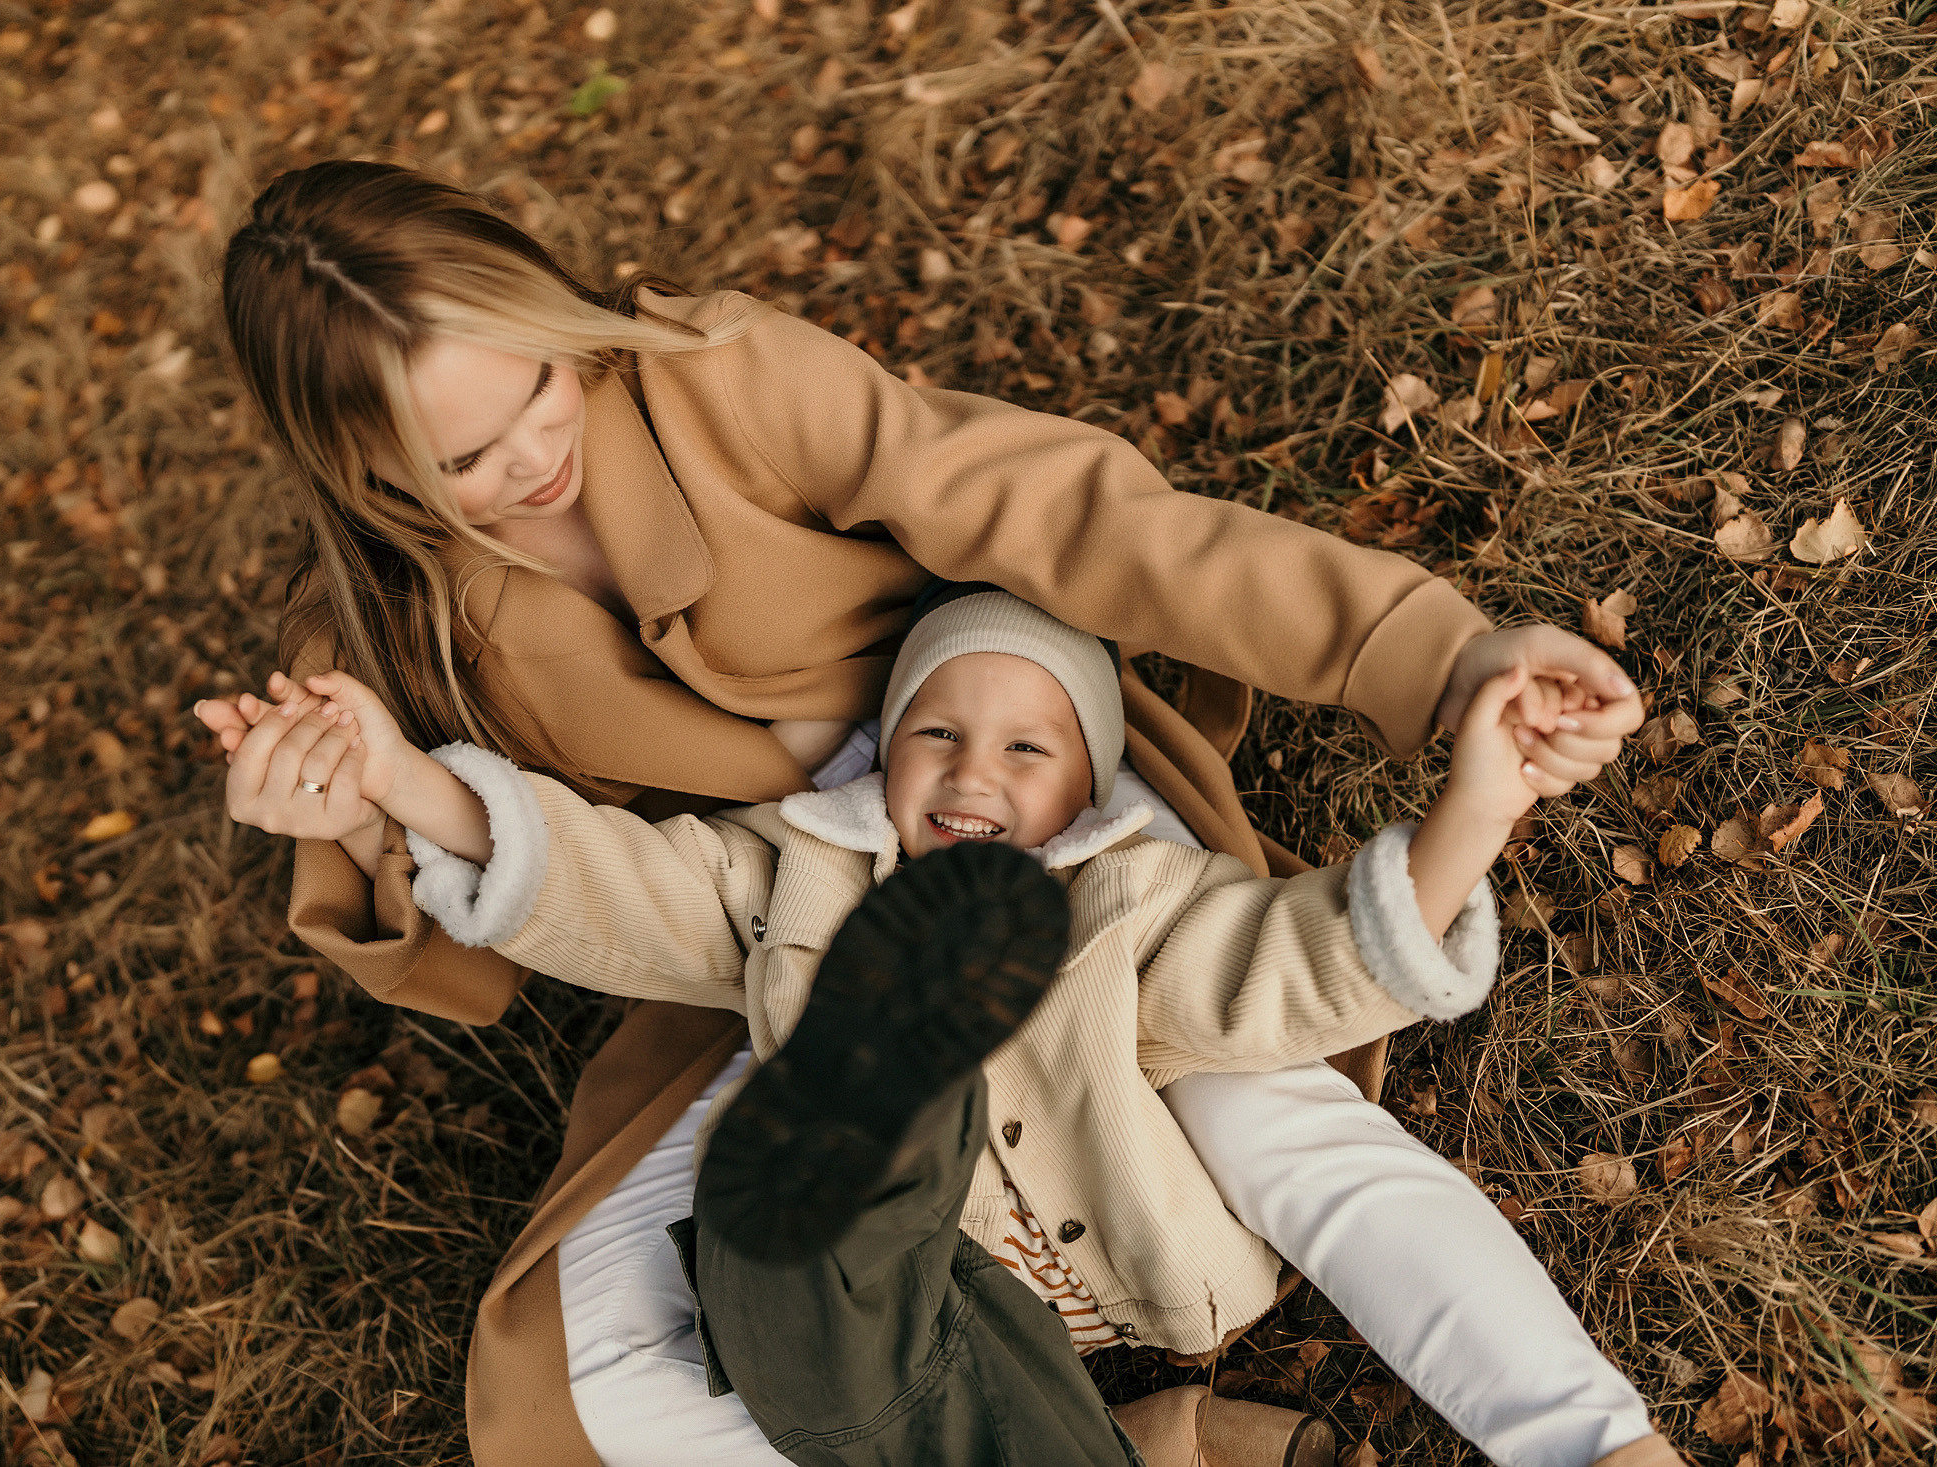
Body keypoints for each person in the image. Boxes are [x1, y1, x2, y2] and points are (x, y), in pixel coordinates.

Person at [194, 160, 1650, 1464]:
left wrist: (1433, 656)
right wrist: (366, 808)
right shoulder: (381, 642)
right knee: (586, 1385)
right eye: (464, 462)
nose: (531, 459)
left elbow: (1079, 522)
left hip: (1028, 816)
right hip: (771, 944)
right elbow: (501, 944)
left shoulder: (722, 379)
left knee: (1275, 1121)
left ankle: (1591, 1448)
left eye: (540, 386)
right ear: (360, 468)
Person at [211, 585, 1682, 1467]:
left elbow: (1291, 960)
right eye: (937, 735)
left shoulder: (1129, 906)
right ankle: (856, 1111)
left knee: (864, 1329)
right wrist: (403, 792)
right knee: (777, 1286)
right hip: (908, 1314)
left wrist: (1477, 810)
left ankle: (874, 1101)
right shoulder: (796, 881)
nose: (974, 770)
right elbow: (626, 887)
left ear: (1085, 796)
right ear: (882, 766)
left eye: (1027, 748)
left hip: (1118, 1269)